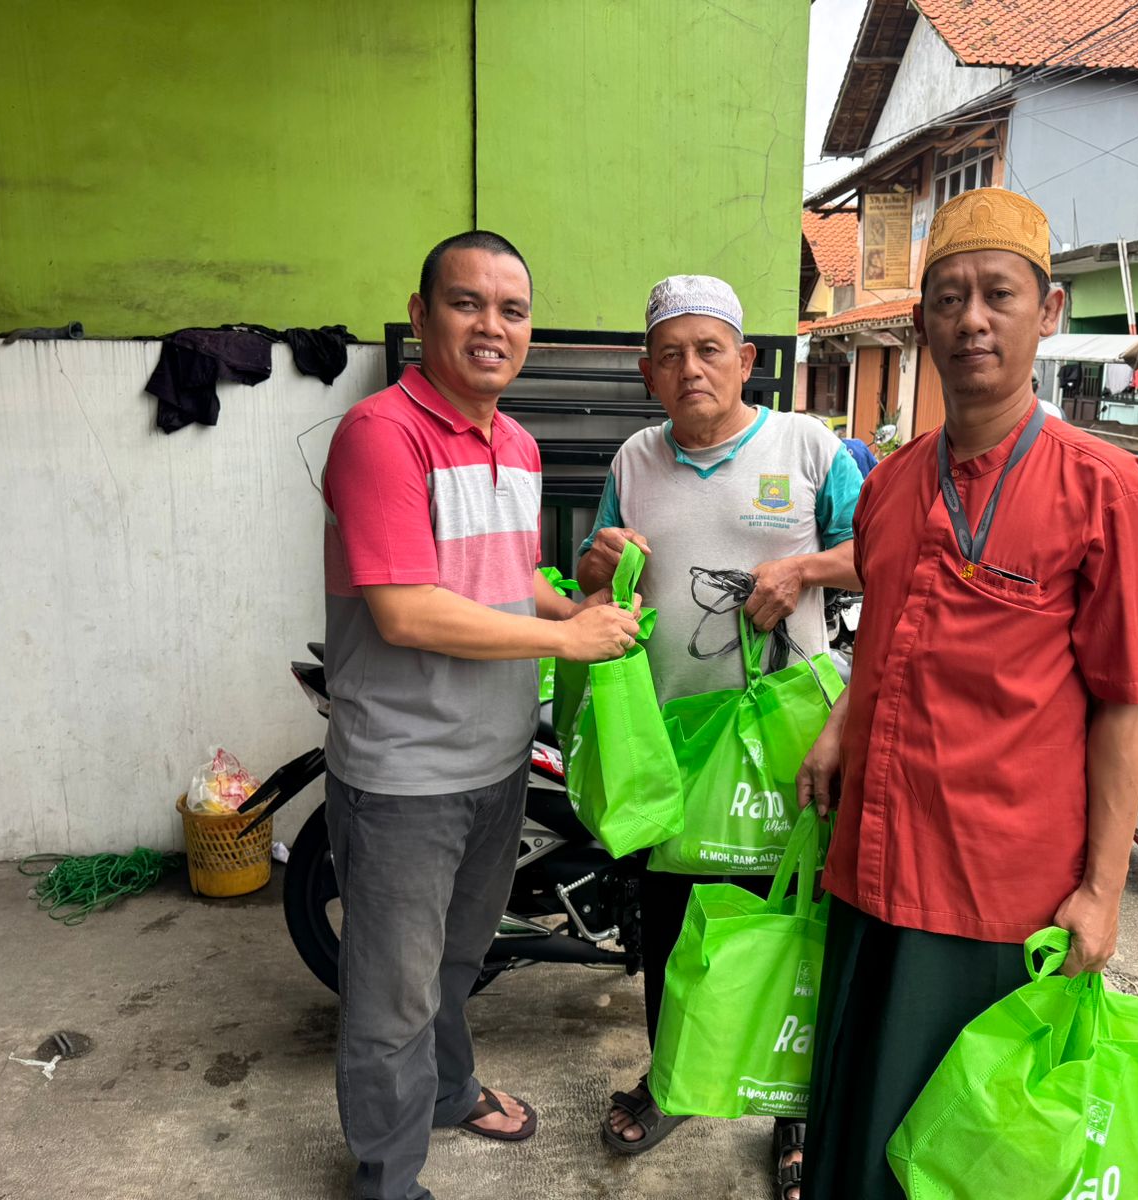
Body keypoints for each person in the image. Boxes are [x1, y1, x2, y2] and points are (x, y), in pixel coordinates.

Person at [793, 189, 1138, 1199]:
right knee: (856, 1124)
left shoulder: (1103, 489)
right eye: (950, 298)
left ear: (1045, 311)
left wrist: (1100, 892)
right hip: (871, 867)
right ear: (919, 322)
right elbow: (883, 631)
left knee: (968, 1154)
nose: (972, 319)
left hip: (994, 895)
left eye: (997, 295)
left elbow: (1124, 703)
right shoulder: (889, 482)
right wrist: (840, 726)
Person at [320, 230, 641, 1200]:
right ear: (421, 319)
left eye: (511, 309)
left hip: (495, 763)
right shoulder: (381, 435)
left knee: (460, 959)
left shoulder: (520, 443)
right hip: (404, 777)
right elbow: (407, 608)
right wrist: (564, 644)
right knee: (390, 996)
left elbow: (502, 582)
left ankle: (451, 1088)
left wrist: (571, 603)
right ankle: (388, 1179)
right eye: (466, 303)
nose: (491, 326)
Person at [574, 275, 864, 1200]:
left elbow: (885, 555)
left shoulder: (808, 445)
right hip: (674, 747)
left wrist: (808, 565)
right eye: (671, 353)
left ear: (746, 361)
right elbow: (594, 578)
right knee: (670, 925)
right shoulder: (633, 460)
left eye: (710, 350)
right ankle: (672, 1079)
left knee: (790, 924)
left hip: (790, 748)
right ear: (648, 373)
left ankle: (793, 1112)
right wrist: (595, 566)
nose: (691, 367)